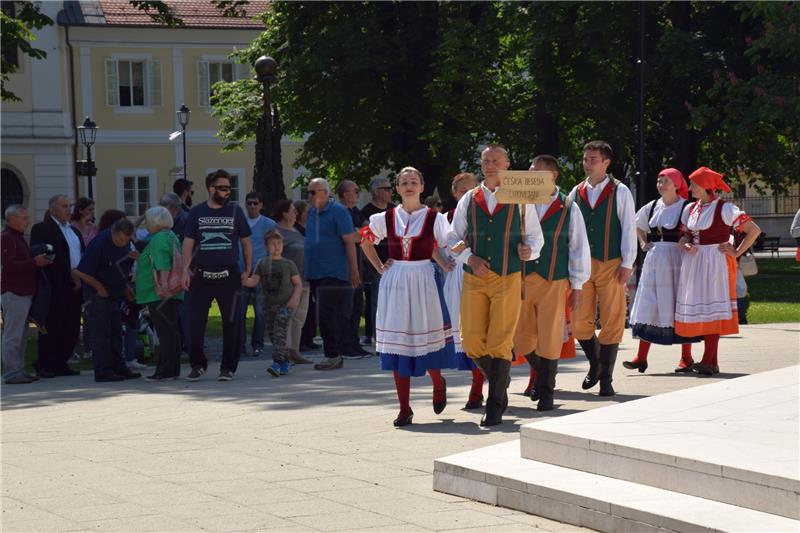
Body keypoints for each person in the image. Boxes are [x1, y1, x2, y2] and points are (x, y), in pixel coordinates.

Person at [447, 145, 544, 427]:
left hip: (508, 274)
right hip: (474, 276)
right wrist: (469, 256)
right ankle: (500, 384)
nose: (490, 165)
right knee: (472, 340)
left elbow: (536, 238)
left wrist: (531, 251)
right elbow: (453, 236)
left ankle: (494, 404)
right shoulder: (469, 198)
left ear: (507, 164)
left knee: (500, 340)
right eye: (486, 161)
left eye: (495, 161)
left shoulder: (521, 197)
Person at [361, 167, 456, 426]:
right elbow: (365, 240)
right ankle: (404, 407)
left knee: (425, 336)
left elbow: (450, 242)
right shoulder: (386, 217)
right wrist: (379, 267)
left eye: (414, 181)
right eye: (404, 182)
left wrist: (461, 257)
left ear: (422, 187)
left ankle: (438, 383)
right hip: (395, 281)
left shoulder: (435, 218)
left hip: (424, 278)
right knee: (397, 342)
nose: (410, 185)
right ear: (398, 189)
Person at [513, 155, 590, 411]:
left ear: (553, 176)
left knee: (550, 337)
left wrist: (577, 285)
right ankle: (544, 376)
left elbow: (579, 247)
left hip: (554, 279)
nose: (531, 176)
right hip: (521, 278)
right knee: (520, 338)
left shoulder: (569, 206)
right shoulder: (519, 201)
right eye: (530, 171)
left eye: (538, 172)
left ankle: (546, 390)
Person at [675, 167, 761, 375]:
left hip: (715, 262)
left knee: (711, 308)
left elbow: (753, 230)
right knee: (702, 309)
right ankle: (709, 362)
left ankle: (709, 360)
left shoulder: (724, 208)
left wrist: (737, 251)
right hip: (695, 262)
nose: (690, 187)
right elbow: (685, 235)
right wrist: (685, 244)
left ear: (705, 185)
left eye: (694, 183)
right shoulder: (691, 209)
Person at [568, 140, 636, 397]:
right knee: (579, 322)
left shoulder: (620, 191)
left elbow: (629, 227)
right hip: (582, 266)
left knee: (612, 319)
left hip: (611, 263)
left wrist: (627, 263)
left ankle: (606, 378)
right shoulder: (575, 193)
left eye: (593, 159)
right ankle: (596, 363)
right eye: (585, 159)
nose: (587, 164)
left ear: (606, 162)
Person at [181, 169, 253, 382]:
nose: (227, 192)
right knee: (194, 324)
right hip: (201, 276)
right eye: (222, 188)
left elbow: (246, 242)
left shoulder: (235, 212)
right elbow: (188, 243)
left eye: (229, 188)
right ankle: (197, 364)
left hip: (229, 275)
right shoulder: (196, 212)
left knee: (232, 323)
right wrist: (185, 270)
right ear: (211, 189)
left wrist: (247, 269)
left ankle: (228, 367)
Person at [625, 168, 698, 374]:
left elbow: (694, 229)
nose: (660, 184)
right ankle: (641, 357)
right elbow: (637, 225)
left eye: (665, 181)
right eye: (659, 181)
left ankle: (686, 358)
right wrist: (642, 242)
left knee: (678, 303)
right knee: (649, 303)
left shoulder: (686, 207)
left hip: (676, 258)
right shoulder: (652, 206)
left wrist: (686, 240)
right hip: (655, 259)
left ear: (676, 184)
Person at [74, 218, 141, 382]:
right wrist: (99, 288)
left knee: (116, 332)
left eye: (126, 240)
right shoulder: (99, 244)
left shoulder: (125, 242)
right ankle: (103, 371)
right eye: (120, 239)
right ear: (113, 232)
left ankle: (119, 367)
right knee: (101, 333)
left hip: (115, 293)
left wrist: (125, 288)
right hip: (98, 296)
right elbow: (81, 272)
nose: (123, 243)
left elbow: (120, 267)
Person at [304, 178, 360, 370]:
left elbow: (350, 241)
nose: (309, 196)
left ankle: (334, 355)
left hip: (334, 271)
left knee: (327, 315)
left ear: (325, 193)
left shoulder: (338, 211)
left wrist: (353, 270)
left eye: (313, 192)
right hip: (315, 272)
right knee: (325, 316)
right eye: (308, 192)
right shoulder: (312, 211)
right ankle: (334, 354)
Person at [441, 172, 484, 409]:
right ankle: (478, 381)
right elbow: (433, 245)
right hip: (456, 275)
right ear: (455, 193)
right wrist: (442, 261)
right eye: (463, 190)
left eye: (473, 188)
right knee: (462, 331)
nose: (469, 193)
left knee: (480, 330)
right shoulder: (444, 219)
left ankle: (478, 388)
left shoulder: (485, 214)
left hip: (480, 273)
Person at [30, 194, 85, 378]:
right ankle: (45, 364)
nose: (68, 210)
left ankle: (61, 362)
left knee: (71, 326)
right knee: (52, 325)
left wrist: (81, 274)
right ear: (52, 208)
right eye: (64, 206)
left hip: (75, 286)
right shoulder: (42, 228)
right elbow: (43, 254)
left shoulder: (74, 231)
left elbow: (80, 254)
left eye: (70, 206)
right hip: (54, 285)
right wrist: (70, 273)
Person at [1, 205, 52, 384]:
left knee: (21, 335)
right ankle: (11, 373)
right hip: (14, 292)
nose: (28, 221)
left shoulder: (17, 238)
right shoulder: (7, 238)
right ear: (12, 219)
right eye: (24, 218)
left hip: (23, 292)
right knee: (13, 335)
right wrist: (34, 262)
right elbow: (9, 266)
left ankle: (19, 370)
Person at [243, 230, 303, 377]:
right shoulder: (262, 263)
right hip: (268, 306)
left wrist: (295, 299)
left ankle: (276, 363)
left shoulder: (289, 264)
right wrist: (245, 280)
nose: (276, 247)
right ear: (266, 247)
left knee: (279, 334)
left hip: (285, 306)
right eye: (272, 244)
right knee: (273, 335)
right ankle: (284, 362)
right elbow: (254, 281)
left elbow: (298, 284)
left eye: (279, 243)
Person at [135, 206, 184, 381]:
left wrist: (163, 286)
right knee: (171, 331)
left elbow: (162, 263)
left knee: (165, 333)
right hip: (172, 293)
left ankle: (165, 371)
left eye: (148, 221)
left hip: (160, 293)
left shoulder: (159, 238)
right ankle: (172, 369)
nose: (146, 224)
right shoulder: (170, 235)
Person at [273, 199, 313, 365]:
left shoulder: (296, 231)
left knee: (299, 317)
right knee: (286, 317)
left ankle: (294, 351)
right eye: (293, 211)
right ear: (284, 214)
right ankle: (283, 354)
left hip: (304, 280)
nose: (296, 214)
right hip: (288, 282)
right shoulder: (277, 232)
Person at [238, 191, 277, 358]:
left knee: (260, 312)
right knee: (239, 311)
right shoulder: (240, 223)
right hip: (242, 272)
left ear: (261, 205)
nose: (252, 206)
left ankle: (257, 344)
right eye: (249, 203)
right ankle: (239, 345)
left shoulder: (269, 224)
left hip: (261, 272)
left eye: (255, 203)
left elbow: (274, 247)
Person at [337, 180, 371, 357]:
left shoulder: (356, 212)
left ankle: (354, 343)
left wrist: (360, 233)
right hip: (346, 267)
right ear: (344, 194)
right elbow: (353, 237)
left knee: (357, 306)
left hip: (359, 265)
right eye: (354, 191)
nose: (357, 194)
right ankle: (344, 345)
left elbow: (368, 234)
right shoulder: (339, 212)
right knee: (346, 308)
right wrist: (359, 233)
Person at [360, 177, 395, 345]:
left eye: (390, 188)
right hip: (376, 264)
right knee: (376, 302)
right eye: (386, 189)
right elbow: (365, 240)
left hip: (396, 263)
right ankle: (377, 337)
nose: (390, 192)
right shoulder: (366, 212)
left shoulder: (394, 210)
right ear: (376, 191)